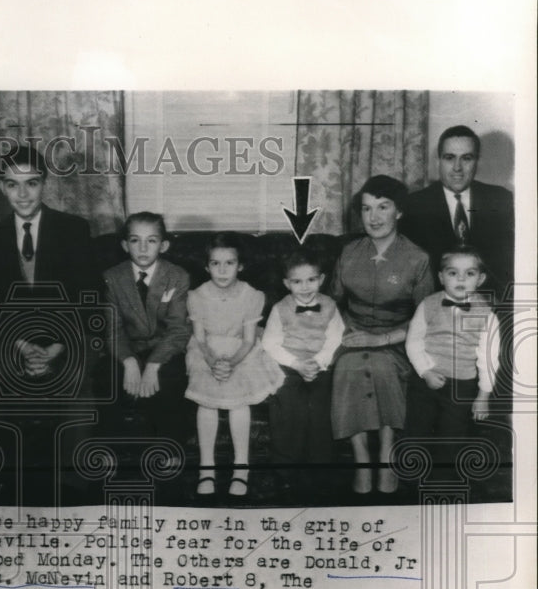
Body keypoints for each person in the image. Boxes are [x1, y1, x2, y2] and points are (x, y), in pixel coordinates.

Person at [0, 145, 98, 505]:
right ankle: (3, 488)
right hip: (14, 344)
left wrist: (56, 348)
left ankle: (75, 492)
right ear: (1, 188)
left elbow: (86, 298)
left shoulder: (74, 230)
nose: (23, 194)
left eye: (31, 183)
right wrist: (25, 348)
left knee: (76, 385)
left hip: (67, 340)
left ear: (45, 184)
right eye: (13, 185)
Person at [331, 175, 433, 495]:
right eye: (366, 209)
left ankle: (387, 453)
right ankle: (362, 457)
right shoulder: (347, 253)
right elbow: (331, 305)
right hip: (352, 333)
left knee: (382, 365)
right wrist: (343, 333)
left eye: (382, 207)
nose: (373, 217)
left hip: (399, 338)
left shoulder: (419, 259)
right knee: (348, 366)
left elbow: (425, 320)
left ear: (398, 212)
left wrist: (382, 340)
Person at [185, 233, 284, 497]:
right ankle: (207, 467)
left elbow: (250, 340)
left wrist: (230, 364)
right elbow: (200, 338)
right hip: (207, 350)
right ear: (206, 267)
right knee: (206, 396)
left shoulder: (252, 296)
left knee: (239, 396)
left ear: (240, 265)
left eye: (229, 263)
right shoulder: (196, 295)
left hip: (242, 349)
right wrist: (213, 361)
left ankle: (242, 467)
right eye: (215, 263)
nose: (222, 270)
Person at [99, 212, 190, 451]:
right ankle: (107, 452)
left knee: (171, 379)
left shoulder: (178, 276)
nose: (142, 248)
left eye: (151, 240)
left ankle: (169, 449)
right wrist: (129, 362)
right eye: (135, 240)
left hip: (164, 349)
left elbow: (178, 329)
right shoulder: (111, 278)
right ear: (124, 245)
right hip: (129, 348)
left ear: (164, 245)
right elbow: (113, 329)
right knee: (104, 377)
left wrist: (153, 364)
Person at [402, 125, 515, 300]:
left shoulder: (501, 200)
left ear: (477, 162)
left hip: (492, 306)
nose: (457, 168)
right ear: (438, 161)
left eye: (466, 158)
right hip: (434, 309)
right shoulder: (413, 205)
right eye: (449, 158)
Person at [262, 248, 344, 487]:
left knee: (321, 411)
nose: (305, 287)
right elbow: (270, 342)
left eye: (311, 280)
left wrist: (318, 362)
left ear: (321, 279)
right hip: (288, 363)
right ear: (287, 283)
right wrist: (297, 364)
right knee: (287, 410)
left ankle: (320, 467)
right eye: (297, 281)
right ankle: (285, 468)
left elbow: (335, 337)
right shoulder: (280, 308)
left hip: (321, 364)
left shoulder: (329, 305)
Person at [405, 247, 500, 453]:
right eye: (453, 273)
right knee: (415, 434)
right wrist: (426, 371)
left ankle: (443, 481)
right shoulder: (428, 304)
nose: (461, 279)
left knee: (452, 439)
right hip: (425, 381)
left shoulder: (487, 314)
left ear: (480, 279)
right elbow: (413, 342)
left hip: (462, 386)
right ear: (441, 277)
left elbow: (489, 359)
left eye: (470, 274)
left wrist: (483, 397)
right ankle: (412, 481)